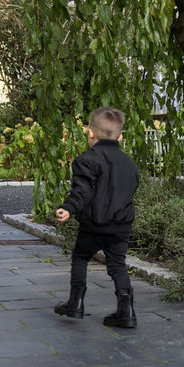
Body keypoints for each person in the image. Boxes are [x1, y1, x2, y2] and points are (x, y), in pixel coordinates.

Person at [54, 106, 140, 328]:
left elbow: (82, 192)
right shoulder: (129, 163)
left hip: (94, 226)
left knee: (81, 257)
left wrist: (68, 208)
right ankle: (126, 310)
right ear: (120, 137)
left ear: (90, 133)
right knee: (117, 265)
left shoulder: (87, 160)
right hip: (121, 226)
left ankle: (76, 302)